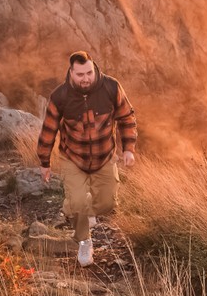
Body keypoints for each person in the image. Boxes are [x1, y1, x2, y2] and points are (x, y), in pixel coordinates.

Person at [37, 51, 137, 266]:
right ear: (71, 72)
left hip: (105, 157)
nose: (86, 78)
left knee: (108, 204)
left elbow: (126, 116)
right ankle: (84, 242)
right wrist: (44, 163)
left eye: (89, 73)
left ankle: (76, 208)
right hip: (73, 158)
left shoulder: (111, 87)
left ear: (94, 68)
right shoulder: (60, 96)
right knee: (79, 202)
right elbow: (48, 130)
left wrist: (128, 148)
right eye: (80, 74)